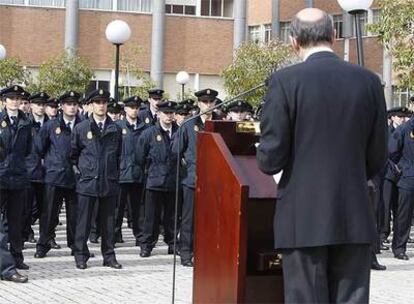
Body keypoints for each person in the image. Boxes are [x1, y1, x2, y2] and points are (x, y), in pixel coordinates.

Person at [256, 8, 387, 303]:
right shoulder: (368, 81)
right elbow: (378, 154)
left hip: (303, 218)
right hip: (354, 214)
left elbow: (270, 159)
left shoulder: (284, 81)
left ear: (294, 41)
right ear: (334, 34)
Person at [70, 89, 122, 270]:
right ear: (91, 105)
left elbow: (119, 155)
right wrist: (81, 174)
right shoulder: (81, 128)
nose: (101, 106)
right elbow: (73, 155)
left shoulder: (115, 129)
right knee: (83, 223)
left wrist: (115, 175)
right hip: (88, 182)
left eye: (104, 102)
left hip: (108, 182)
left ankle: (109, 256)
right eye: (98, 102)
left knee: (108, 224)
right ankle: (80, 255)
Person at [171, 89, 221, 267]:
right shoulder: (188, 124)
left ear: (215, 103)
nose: (208, 105)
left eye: (211, 102)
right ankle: (186, 253)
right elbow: (176, 151)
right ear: (199, 104)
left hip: (215, 182)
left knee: (211, 219)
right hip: (192, 180)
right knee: (189, 220)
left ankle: (207, 252)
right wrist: (186, 168)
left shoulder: (220, 123)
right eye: (205, 102)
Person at [34, 91, 82, 258]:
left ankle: (76, 247)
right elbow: (39, 148)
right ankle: (43, 245)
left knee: (75, 216)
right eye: (69, 104)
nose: (72, 107)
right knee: (48, 214)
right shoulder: (51, 125)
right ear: (62, 106)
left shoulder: (83, 125)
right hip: (54, 176)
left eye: (75, 104)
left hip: (76, 177)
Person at [136, 101, 178, 258]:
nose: (168, 116)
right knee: (151, 217)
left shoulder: (179, 132)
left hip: (173, 181)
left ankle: (173, 243)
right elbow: (140, 157)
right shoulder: (149, 133)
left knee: (172, 216)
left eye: (171, 113)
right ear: (159, 114)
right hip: (154, 181)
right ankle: (147, 245)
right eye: (165, 113)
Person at [0, 85, 32, 281]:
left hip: (18, 177)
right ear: (4, 101)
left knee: (15, 222)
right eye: (10, 98)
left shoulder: (25, 123)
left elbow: (27, 150)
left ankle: (16, 256)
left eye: (17, 98)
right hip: (0, 177)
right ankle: (7, 269)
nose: (14, 101)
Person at [114, 96, 146, 245]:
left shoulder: (145, 127)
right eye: (131, 107)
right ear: (125, 109)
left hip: (138, 174)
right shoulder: (118, 126)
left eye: (137, 108)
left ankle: (139, 236)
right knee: (117, 208)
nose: (134, 110)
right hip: (121, 173)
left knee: (137, 209)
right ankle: (115, 234)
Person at [23, 92, 49, 247]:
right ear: (31, 105)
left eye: (43, 104)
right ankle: (25, 234)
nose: (40, 107)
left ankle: (46, 239)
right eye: (37, 104)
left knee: (45, 210)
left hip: (47, 173)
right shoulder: (25, 123)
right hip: (29, 172)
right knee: (26, 209)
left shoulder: (52, 124)